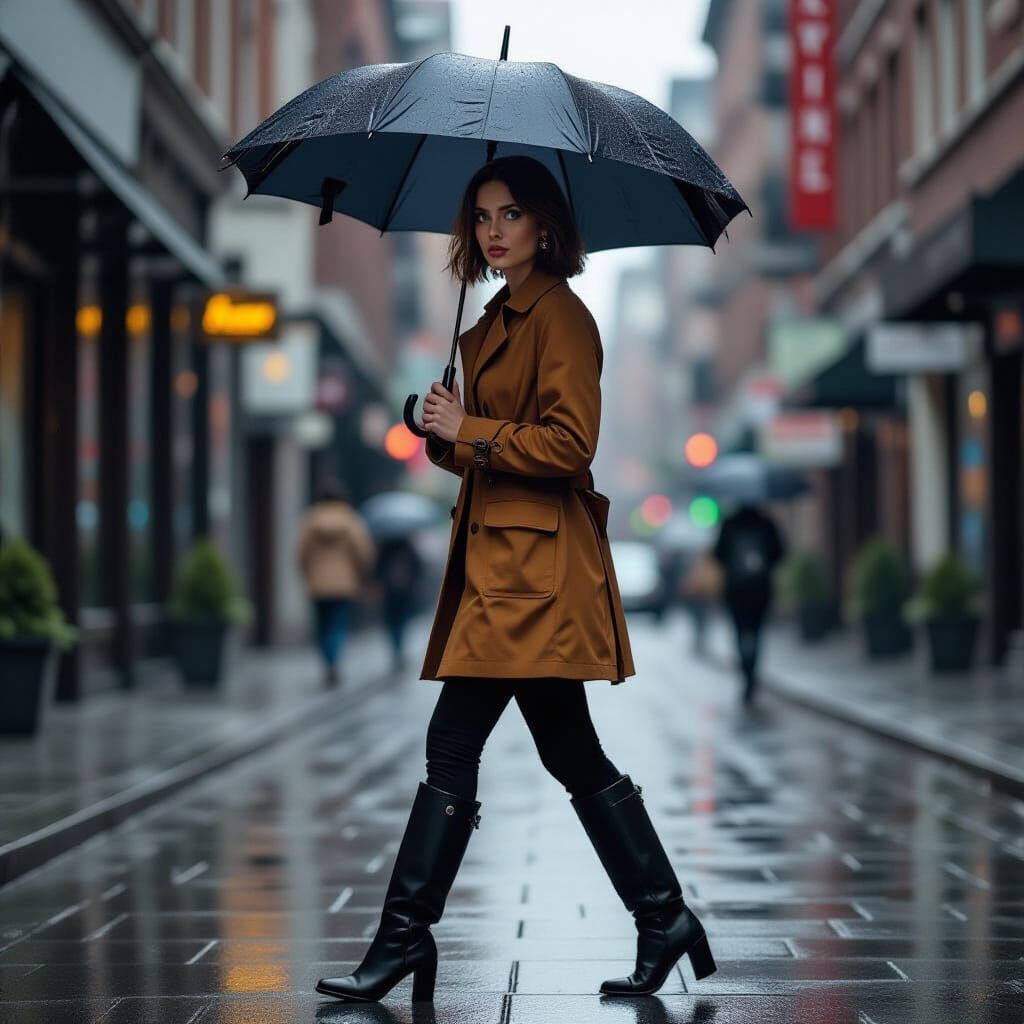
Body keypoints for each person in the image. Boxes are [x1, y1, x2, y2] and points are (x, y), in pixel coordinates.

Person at [317, 156, 717, 1004]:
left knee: (456, 740)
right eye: (482, 216)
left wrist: (474, 427)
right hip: (502, 568)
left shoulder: (561, 318)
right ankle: (663, 916)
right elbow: (485, 447)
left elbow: (571, 446)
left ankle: (404, 939)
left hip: (533, 574)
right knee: (570, 751)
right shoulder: (493, 320)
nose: (493, 230)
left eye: (510, 215)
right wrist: (440, 430)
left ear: (545, 227)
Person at [295, 479, 376, 687]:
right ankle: (334, 661)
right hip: (344, 584)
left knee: (322, 626)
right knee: (337, 625)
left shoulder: (311, 519)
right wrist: (360, 572)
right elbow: (363, 552)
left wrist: (307, 573)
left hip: (317, 584)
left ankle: (327, 662)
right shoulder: (350, 520)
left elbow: (301, 553)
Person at [712, 502, 786, 705]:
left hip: (736, 590)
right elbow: (780, 553)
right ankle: (752, 673)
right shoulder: (766, 523)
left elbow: (717, 554)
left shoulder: (729, 523)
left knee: (740, 631)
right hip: (760, 590)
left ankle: (746, 670)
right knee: (756, 631)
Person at [375, 534, 423, 671]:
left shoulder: (384, 548)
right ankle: (400, 648)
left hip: (389, 592)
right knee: (402, 621)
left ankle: (396, 648)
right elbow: (418, 567)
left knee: (392, 622)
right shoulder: (407, 546)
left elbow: (377, 569)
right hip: (405, 592)